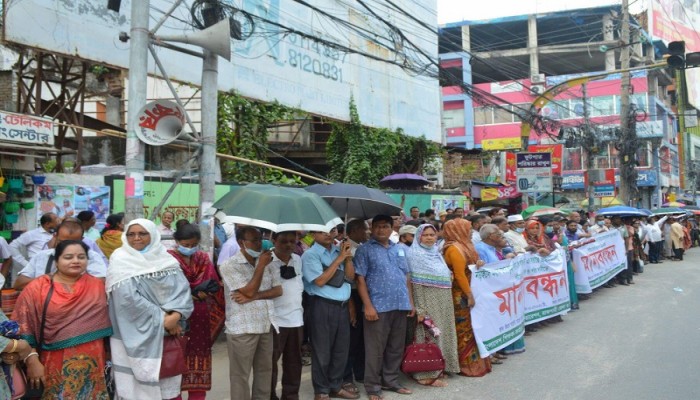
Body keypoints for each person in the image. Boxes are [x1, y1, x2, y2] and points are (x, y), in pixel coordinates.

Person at [107, 219, 194, 400]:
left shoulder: (167, 259)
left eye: (142, 233)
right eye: (131, 234)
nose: (136, 238)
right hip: (134, 331)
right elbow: (127, 299)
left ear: (153, 235)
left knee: (168, 384)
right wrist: (165, 320)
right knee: (136, 386)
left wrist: (176, 315)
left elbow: (182, 290)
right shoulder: (120, 259)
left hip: (170, 332)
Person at [14, 240, 112, 399]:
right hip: (51, 361)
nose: (76, 261)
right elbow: (23, 325)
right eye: (68, 257)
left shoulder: (98, 286)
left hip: (94, 361)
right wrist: (32, 360)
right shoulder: (38, 287)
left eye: (81, 257)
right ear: (57, 260)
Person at [354, 215, 415, 400]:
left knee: (396, 347)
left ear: (392, 228)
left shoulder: (399, 249)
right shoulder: (364, 250)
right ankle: (372, 387)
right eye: (378, 227)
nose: (381, 230)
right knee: (375, 349)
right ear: (371, 229)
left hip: (400, 304)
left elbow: (406, 276)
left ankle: (391, 381)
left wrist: (410, 302)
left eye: (385, 226)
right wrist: (368, 306)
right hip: (378, 306)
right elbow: (360, 279)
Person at [220, 226, 282, 400]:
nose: (259, 244)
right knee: (240, 376)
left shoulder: (270, 262)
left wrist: (255, 296)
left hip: (265, 324)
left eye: (260, 239)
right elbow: (247, 291)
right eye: (254, 240)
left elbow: (277, 291)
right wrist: (260, 267)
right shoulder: (229, 265)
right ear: (241, 243)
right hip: (242, 328)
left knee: (264, 372)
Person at [167, 224, 225, 400]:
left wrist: (204, 291)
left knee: (199, 361)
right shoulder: (168, 260)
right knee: (173, 361)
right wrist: (191, 294)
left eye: (194, 244)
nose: (190, 248)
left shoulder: (202, 258)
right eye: (186, 244)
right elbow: (166, 289)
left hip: (200, 317)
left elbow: (213, 283)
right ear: (177, 241)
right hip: (175, 317)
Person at [301, 229, 357, 400]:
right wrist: (339, 259)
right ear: (313, 234)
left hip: (341, 306)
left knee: (341, 350)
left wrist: (346, 258)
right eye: (321, 231)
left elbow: (350, 278)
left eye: (331, 231)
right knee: (322, 350)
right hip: (321, 306)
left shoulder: (339, 251)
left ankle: (335, 385)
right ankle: (321, 390)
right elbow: (319, 281)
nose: (327, 234)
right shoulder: (310, 255)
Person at [406, 224, 460, 386]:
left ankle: (440, 367)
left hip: (443, 299)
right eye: (425, 235)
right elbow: (415, 283)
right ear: (418, 237)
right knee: (428, 333)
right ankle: (425, 374)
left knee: (443, 332)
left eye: (432, 234)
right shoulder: (414, 254)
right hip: (427, 300)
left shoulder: (436, 253)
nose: (429, 238)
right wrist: (421, 309)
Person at [442, 219, 491, 376]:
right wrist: (469, 295)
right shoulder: (454, 249)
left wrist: (479, 264)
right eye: (468, 228)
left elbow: (470, 267)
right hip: (460, 295)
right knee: (464, 329)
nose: (471, 231)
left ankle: (477, 361)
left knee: (474, 325)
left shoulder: (465, 245)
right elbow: (459, 275)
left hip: (470, 290)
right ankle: (466, 364)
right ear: (458, 230)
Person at [14, 220, 107, 290]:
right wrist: (49, 279)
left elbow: (100, 284)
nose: (67, 247)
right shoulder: (41, 256)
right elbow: (19, 284)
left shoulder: (91, 256)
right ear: (55, 236)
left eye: (74, 242)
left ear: (82, 239)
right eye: (63, 242)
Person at [475, 224, 524, 354]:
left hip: (499, 290)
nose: (502, 237)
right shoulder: (480, 248)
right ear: (491, 236)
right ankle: (492, 352)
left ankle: (499, 349)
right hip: (489, 291)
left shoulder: (492, 248)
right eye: (499, 235)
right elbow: (485, 269)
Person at [268, 231, 304, 400]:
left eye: (292, 241)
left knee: (294, 363)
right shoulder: (266, 261)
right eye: (283, 241)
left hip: (296, 319)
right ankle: (269, 395)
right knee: (270, 363)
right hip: (275, 321)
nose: (288, 244)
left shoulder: (298, 259)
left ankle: (291, 395)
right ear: (273, 240)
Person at [343, 219, 370, 395]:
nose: (367, 233)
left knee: (361, 337)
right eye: (364, 230)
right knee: (351, 339)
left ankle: (360, 372)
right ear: (354, 230)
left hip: (362, 295)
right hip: (351, 294)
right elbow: (350, 279)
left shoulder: (361, 248)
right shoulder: (347, 250)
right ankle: (347, 376)